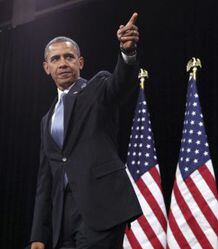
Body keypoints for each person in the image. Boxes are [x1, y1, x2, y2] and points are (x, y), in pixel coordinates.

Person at [29, 13, 142, 249]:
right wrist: (38, 235)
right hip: (63, 218)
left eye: (69, 57)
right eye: (56, 58)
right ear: (46, 67)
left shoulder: (98, 88)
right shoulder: (46, 120)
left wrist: (127, 53)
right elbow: (45, 180)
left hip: (100, 206)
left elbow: (121, 83)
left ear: (80, 63)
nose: (63, 63)